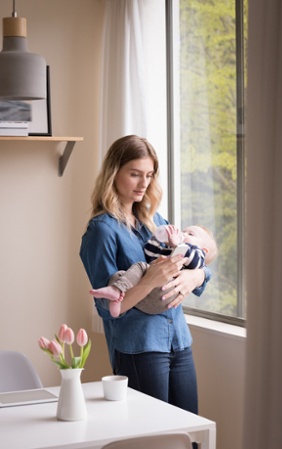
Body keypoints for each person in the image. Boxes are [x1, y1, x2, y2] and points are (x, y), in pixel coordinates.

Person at [80, 135, 211, 420]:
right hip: (140, 348)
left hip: (178, 340)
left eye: (149, 175)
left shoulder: (156, 221)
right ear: (114, 174)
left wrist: (196, 276)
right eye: (135, 174)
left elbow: (196, 256)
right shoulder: (101, 231)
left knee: (189, 431)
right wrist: (149, 280)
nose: (144, 183)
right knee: (153, 436)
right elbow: (108, 308)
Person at [90, 224, 218, 317]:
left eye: (190, 234)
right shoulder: (170, 248)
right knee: (119, 275)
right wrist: (158, 239)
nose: (183, 234)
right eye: (184, 231)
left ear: (204, 250)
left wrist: (198, 274)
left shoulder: (198, 253)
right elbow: (149, 254)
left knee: (141, 266)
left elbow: (195, 261)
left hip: (165, 293)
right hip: (150, 300)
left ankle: (116, 291)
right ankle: (117, 300)